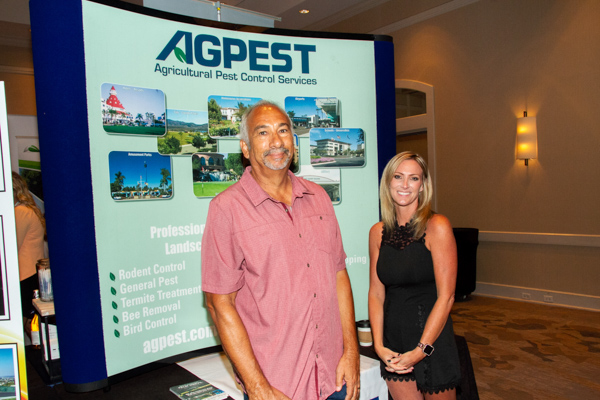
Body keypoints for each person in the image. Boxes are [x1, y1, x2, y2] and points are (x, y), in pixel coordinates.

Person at [201, 100, 360, 400]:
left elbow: (339, 276)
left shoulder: (319, 198)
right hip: (276, 386)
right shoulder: (227, 209)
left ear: (293, 142)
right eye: (263, 132)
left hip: (334, 376)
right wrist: (257, 387)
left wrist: (351, 352)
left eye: (283, 130)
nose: (276, 141)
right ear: (245, 148)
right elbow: (220, 304)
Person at [368, 152, 461, 400]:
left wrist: (421, 350)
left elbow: (446, 297)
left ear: (422, 185)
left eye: (414, 178)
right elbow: (376, 293)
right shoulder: (377, 232)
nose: (405, 185)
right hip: (393, 342)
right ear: (388, 182)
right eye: (398, 177)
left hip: (431, 342)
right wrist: (379, 345)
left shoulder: (437, 226)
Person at [12, 172, 46, 318]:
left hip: (25, 275)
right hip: (31, 273)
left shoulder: (20, 211)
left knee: (28, 321)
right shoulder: (27, 209)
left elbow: (12, 246)